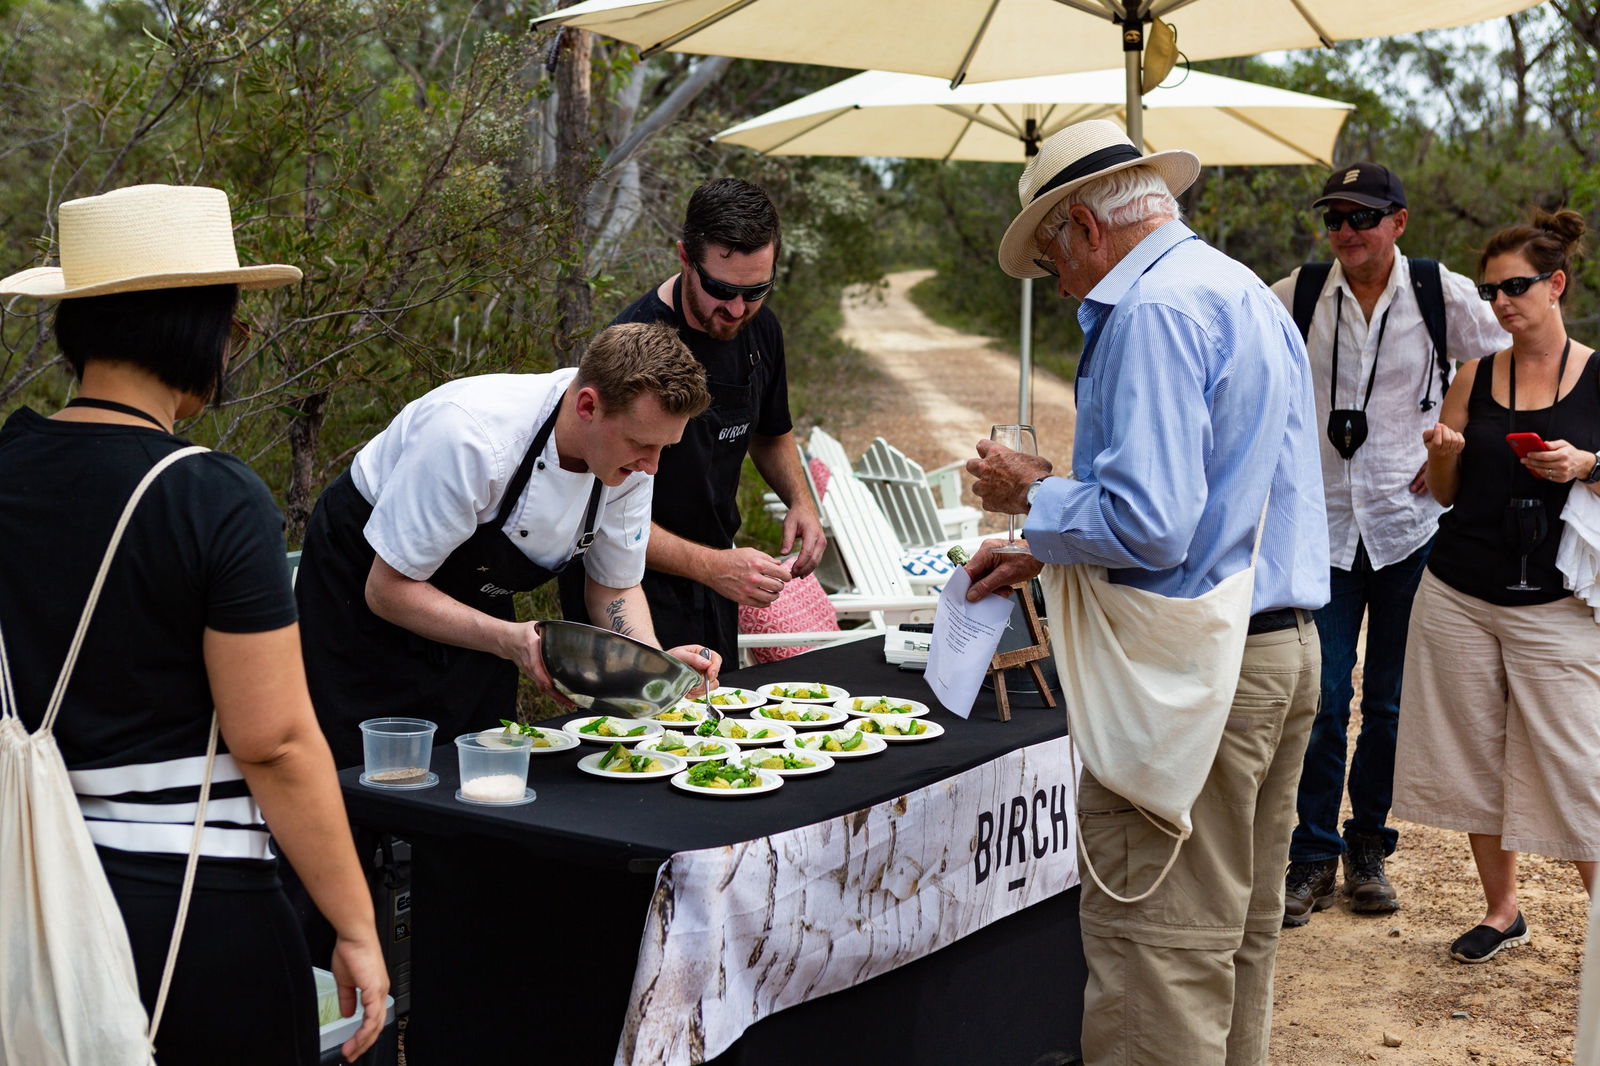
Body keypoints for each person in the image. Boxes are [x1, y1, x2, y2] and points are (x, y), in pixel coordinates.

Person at [964, 120, 1328, 1066]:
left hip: (1193, 677)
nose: (1063, 285)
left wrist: (1030, 495)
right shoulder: (1243, 291)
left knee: (1158, 957)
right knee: (1235, 940)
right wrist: (1052, 544)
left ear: (1084, 226)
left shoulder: (1151, 312)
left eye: (1053, 263)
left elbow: (1155, 523)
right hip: (1279, 653)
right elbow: (1226, 497)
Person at [0, 184, 387, 1065]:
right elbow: (277, 742)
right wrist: (353, 922)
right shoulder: (211, 496)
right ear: (199, 330)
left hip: (25, 884)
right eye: (234, 326)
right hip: (187, 907)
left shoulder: (8, 468)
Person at [295, 321, 717, 769]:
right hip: (361, 598)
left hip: (477, 599)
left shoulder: (630, 464)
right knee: (359, 774)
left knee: (479, 765)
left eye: (664, 448)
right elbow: (388, 589)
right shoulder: (471, 437)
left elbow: (614, 588)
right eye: (641, 444)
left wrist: (653, 671)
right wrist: (509, 640)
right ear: (588, 406)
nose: (652, 466)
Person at [1269, 163, 1509, 926]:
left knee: (1391, 703)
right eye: (1334, 218)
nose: (1345, 231)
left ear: (1398, 223)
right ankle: (1310, 858)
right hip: (1325, 532)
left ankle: (1367, 846)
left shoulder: (1442, 295)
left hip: (1411, 530)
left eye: (1362, 217)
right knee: (1322, 697)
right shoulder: (1297, 296)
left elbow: (1512, 354)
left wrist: (1457, 430)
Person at [1392, 208, 1600, 963]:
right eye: (1490, 291)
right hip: (1458, 590)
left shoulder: (1597, 373)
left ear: (1556, 284)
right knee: (1472, 753)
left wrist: (1587, 466)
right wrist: (1443, 449)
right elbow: (1446, 492)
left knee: (1577, 762)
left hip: (1556, 601)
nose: (1501, 303)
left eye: (1515, 287)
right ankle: (1503, 911)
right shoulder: (1476, 374)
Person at [558, 178, 825, 662]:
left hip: (718, 574)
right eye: (721, 289)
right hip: (624, 579)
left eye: (756, 290)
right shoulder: (634, 343)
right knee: (636, 727)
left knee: (708, 719)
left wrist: (801, 502)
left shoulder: (760, 327)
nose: (737, 309)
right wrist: (711, 565)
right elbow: (596, 509)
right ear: (685, 258)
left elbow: (772, 431)